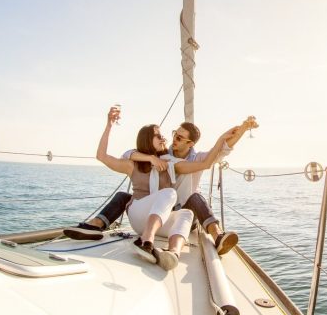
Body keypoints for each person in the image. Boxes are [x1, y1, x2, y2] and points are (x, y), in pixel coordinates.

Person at [64, 115, 258, 256]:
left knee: (188, 205)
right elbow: (111, 155)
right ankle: (96, 226)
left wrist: (231, 134)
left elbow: (210, 160)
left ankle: (186, 248)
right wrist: (109, 125)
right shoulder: (149, 159)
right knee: (129, 195)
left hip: (169, 215)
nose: (170, 138)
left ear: (190, 143)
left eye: (179, 138)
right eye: (170, 135)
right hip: (147, 215)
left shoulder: (172, 163)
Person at [88, 106, 232, 270]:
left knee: (186, 214)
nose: (164, 138)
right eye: (158, 136)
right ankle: (145, 241)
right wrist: (109, 125)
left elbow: (205, 164)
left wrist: (221, 140)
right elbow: (101, 156)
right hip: (139, 218)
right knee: (169, 193)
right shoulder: (132, 163)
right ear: (147, 140)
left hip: (158, 221)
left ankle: (172, 254)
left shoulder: (171, 163)